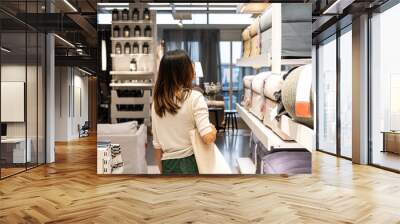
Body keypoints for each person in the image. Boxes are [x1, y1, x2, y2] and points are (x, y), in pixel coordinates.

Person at [152, 50, 217, 175]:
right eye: (190, 66)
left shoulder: (157, 102)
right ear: (184, 71)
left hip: (168, 164)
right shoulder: (195, 97)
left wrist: (162, 172)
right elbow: (207, 138)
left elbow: (157, 145)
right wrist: (212, 129)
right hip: (191, 163)